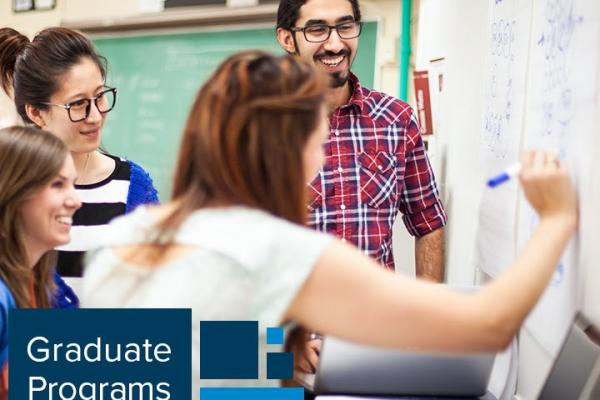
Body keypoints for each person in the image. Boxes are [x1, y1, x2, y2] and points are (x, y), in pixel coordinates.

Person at [82, 52, 577, 396]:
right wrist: (555, 217)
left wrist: (273, 355)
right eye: (318, 146)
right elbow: (489, 326)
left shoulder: (125, 235)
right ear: (289, 151)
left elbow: (162, 360)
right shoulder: (276, 250)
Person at [276, 0, 447, 282]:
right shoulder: (259, 127)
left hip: (375, 323)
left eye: (346, 26)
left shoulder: (396, 120)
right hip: (294, 324)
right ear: (287, 38)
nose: (335, 44)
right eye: (317, 30)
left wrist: (427, 319)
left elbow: (429, 223)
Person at [0, 27, 159, 279]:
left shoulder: (134, 186)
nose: (95, 116)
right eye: (78, 104)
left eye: (100, 96)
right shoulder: (12, 192)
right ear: (36, 113)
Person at [0, 126, 81, 399]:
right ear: (13, 192)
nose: (76, 201)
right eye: (57, 184)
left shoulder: (37, 284)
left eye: (73, 184)